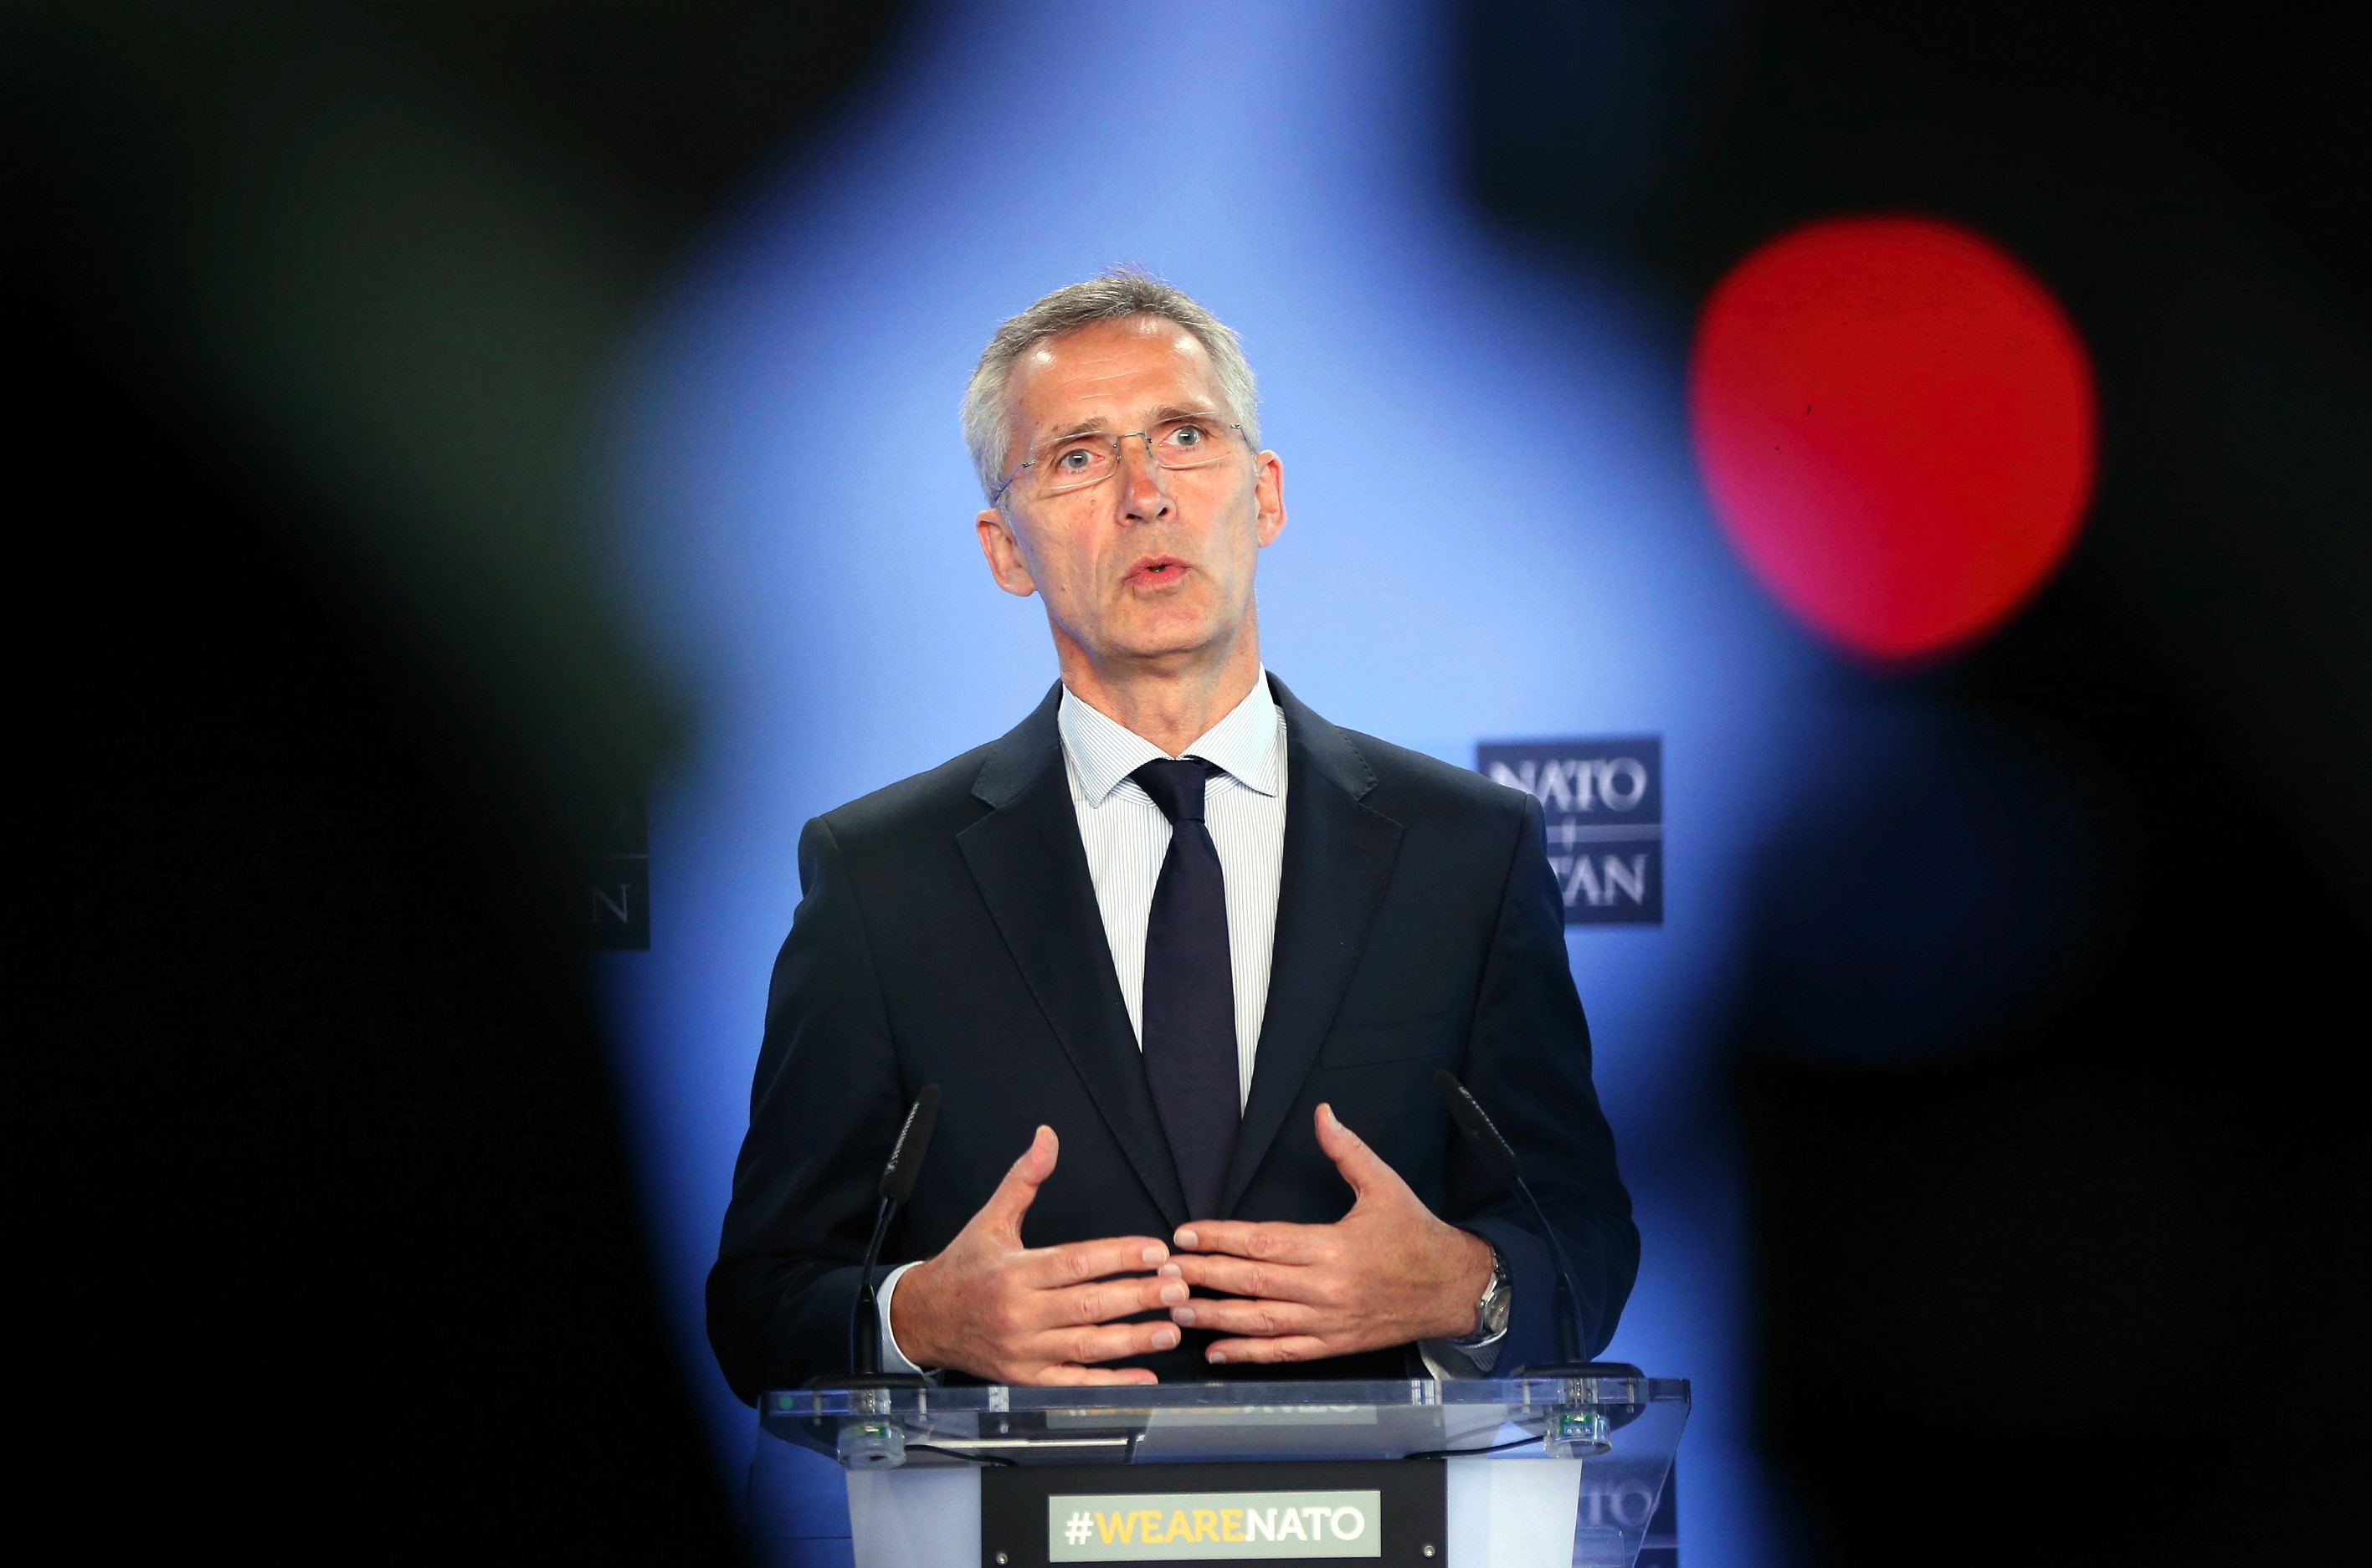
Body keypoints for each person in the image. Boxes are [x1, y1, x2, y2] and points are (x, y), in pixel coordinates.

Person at [707, 271, 1636, 1395]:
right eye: (1078, 457)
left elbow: (1579, 1233)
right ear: (1005, 550)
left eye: (1185, 436)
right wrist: (920, 1316)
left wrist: (1465, 1289)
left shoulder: (1467, 851)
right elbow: (759, 1302)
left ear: (1266, 493)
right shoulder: (880, 877)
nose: (1144, 494)